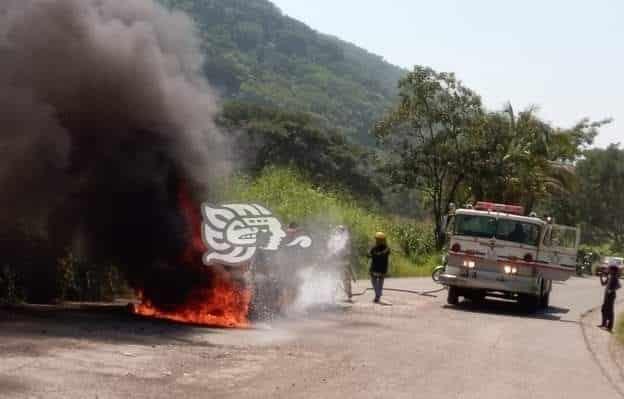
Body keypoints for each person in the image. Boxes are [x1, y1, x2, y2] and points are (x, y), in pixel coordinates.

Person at [369, 232, 391, 304]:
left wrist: (373, 254)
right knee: (379, 283)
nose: (376, 241)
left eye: (377, 240)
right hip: (381, 269)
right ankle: (378, 295)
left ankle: (377, 295)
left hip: (376, 269)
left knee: (375, 281)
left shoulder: (375, 248)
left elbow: (373, 254)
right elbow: (370, 254)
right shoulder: (387, 249)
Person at [599, 261, 621, 332]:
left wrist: (611, 290)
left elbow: (619, 286)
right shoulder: (610, 276)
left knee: (610, 311)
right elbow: (603, 284)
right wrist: (601, 276)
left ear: (613, 270)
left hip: (611, 296)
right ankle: (603, 324)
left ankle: (609, 327)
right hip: (606, 296)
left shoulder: (615, 277)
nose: (608, 269)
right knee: (604, 309)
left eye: (609, 269)